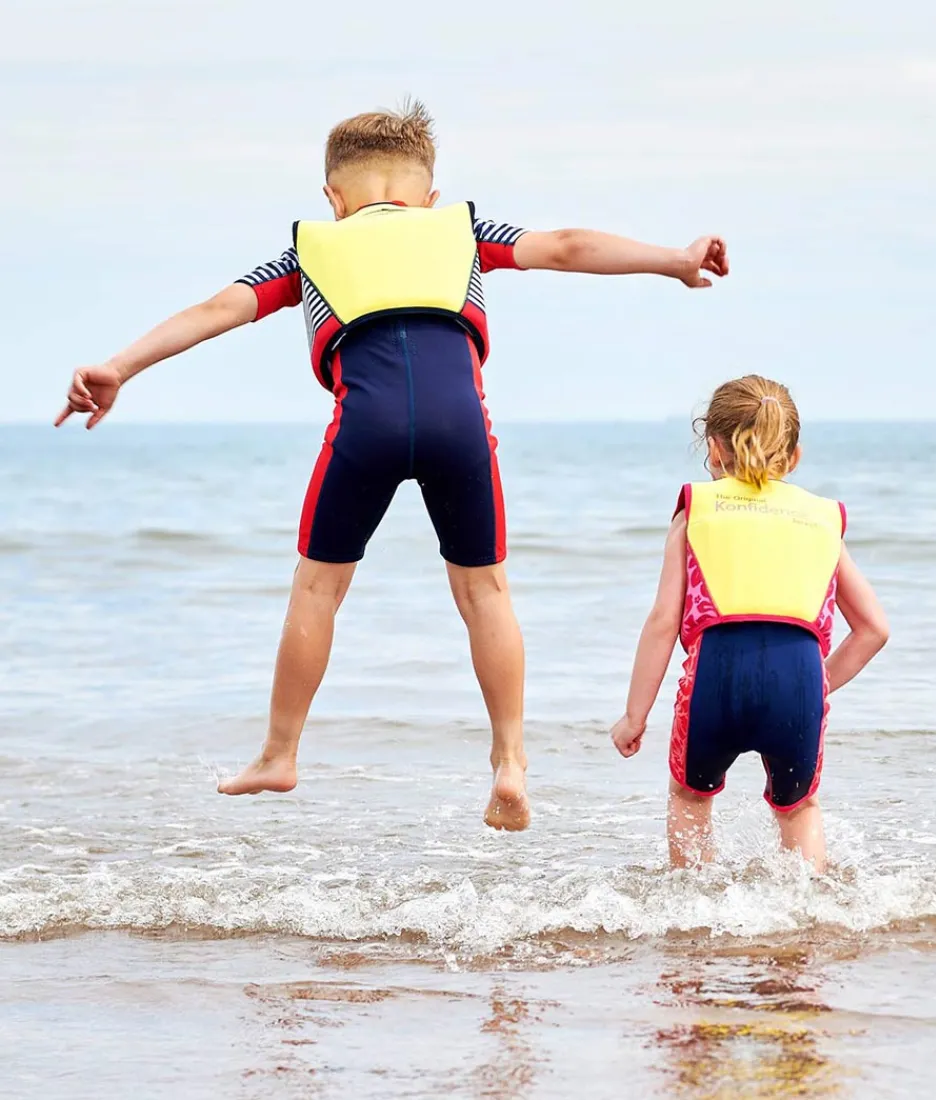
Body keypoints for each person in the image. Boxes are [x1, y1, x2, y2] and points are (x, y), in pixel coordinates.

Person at [55, 101, 729, 831]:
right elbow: (566, 245)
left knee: (317, 589)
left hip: (365, 424)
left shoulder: (310, 251)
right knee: (485, 592)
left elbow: (218, 309)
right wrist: (674, 260)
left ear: (333, 200)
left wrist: (118, 365)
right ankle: (509, 761)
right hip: (460, 427)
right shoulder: (466, 232)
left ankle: (280, 753)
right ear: (427, 197)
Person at [610, 375, 888, 870]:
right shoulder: (823, 518)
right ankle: (809, 920)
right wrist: (819, 681)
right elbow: (872, 629)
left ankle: (693, 922)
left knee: (691, 799)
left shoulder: (696, 510)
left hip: (715, 677)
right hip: (798, 678)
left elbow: (662, 622)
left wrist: (636, 715)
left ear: (713, 448)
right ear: (794, 455)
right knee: (799, 809)